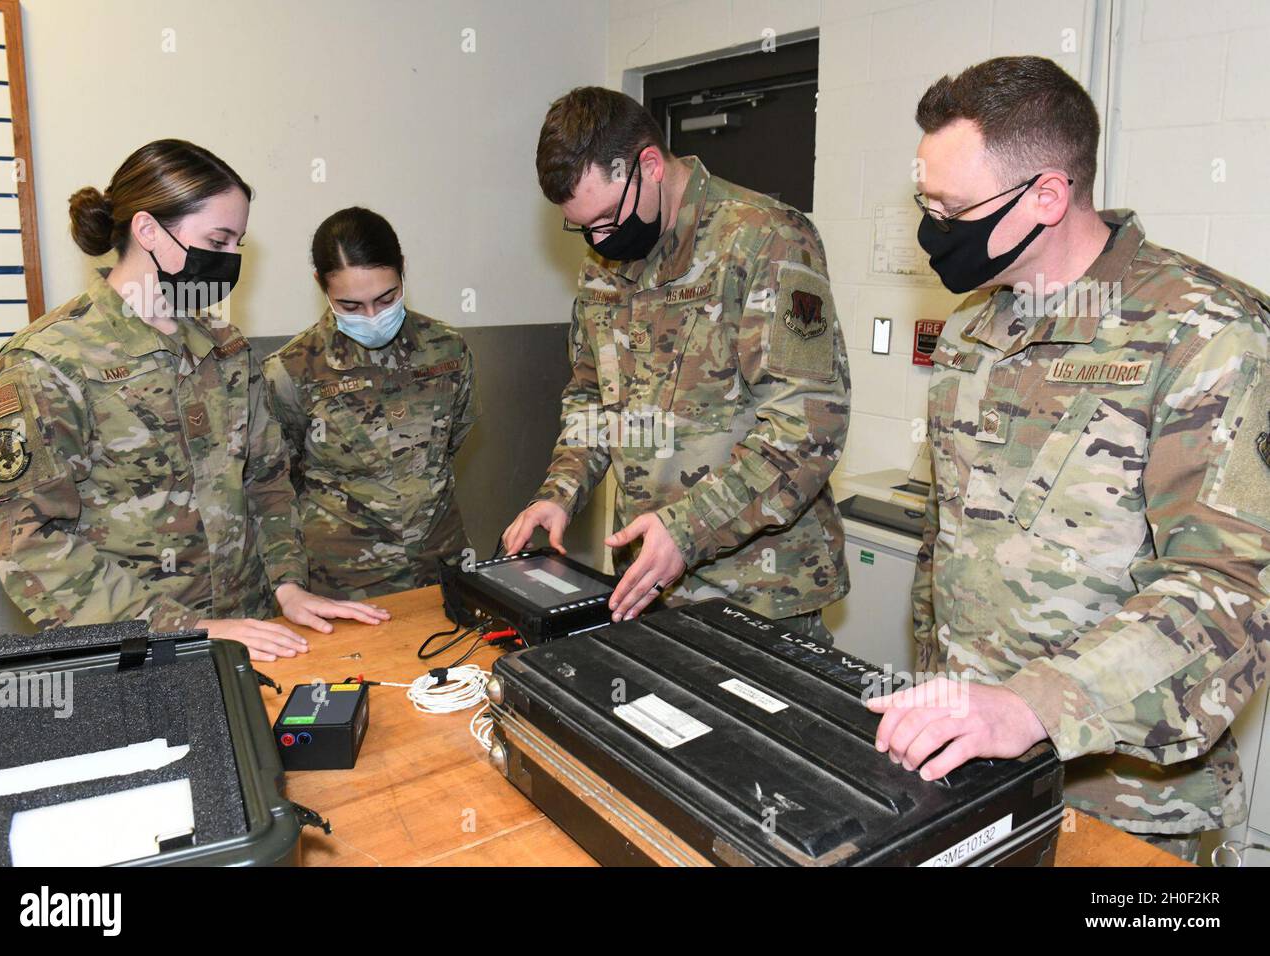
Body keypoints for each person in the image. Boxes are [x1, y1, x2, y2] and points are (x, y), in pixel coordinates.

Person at [866, 56, 1270, 863]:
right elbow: (948, 547)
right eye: (926, 203)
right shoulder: (971, 333)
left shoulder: (1210, 333)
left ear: (1046, 196)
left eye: (951, 208)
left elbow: (1230, 595)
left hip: (1126, 801)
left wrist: (1028, 706)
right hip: (973, 770)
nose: (932, 228)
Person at [0, 139, 388, 661]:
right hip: (133, 654)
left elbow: (266, 482)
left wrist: (287, 584)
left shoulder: (226, 348)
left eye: (238, 241)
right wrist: (183, 628)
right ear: (148, 230)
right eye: (219, 238)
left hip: (253, 636)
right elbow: (29, 542)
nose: (232, 258)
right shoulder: (47, 362)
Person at [502, 87, 851, 636]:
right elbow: (592, 397)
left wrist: (688, 530)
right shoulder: (604, 262)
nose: (598, 239)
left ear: (649, 165)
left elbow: (806, 432)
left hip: (757, 594)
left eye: (606, 218)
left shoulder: (765, 238)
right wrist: (560, 492)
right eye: (583, 226)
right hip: (645, 585)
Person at [262, 207, 477, 599]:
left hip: (442, 562)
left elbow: (452, 441)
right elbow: (278, 480)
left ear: (403, 270)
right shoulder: (292, 370)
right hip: (343, 581)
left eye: (386, 297)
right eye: (351, 306)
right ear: (321, 286)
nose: (373, 316)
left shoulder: (447, 349)